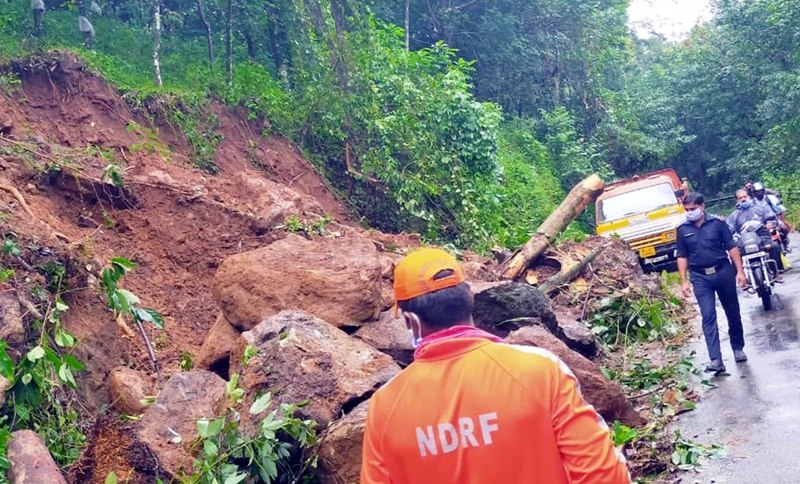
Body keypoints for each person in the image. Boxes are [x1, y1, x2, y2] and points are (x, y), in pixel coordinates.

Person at [361, 247, 629, 484]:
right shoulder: (540, 371)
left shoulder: (384, 408)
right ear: (469, 298)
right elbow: (605, 475)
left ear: (409, 321)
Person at [677, 192, 748, 373]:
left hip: (723, 272)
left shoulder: (718, 224)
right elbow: (682, 256)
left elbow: (731, 247)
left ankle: (738, 347)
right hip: (700, 277)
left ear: (702, 206)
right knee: (708, 315)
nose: (690, 212)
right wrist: (684, 281)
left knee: (732, 311)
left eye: (693, 209)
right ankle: (716, 359)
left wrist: (740, 271)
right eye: (687, 209)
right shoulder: (682, 229)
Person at [727, 188, 784, 273]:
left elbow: (771, 218)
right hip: (744, 242)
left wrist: (770, 224)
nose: (743, 199)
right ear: (737, 200)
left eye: (744, 197)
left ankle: (777, 271)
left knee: (775, 246)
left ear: (749, 197)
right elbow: (729, 229)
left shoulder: (761, 208)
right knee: (734, 255)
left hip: (762, 237)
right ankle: (740, 278)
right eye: (740, 198)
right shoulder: (734, 216)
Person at [752, 182, 791, 252]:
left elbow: (779, 207)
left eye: (761, 191)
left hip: (774, 220)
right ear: (754, 193)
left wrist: (781, 211)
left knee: (784, 228)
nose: (759, 193)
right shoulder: (752, 202)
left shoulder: (770, 198)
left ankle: (785, 244)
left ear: (763, 191)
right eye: (757, 192)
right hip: (760, 223)